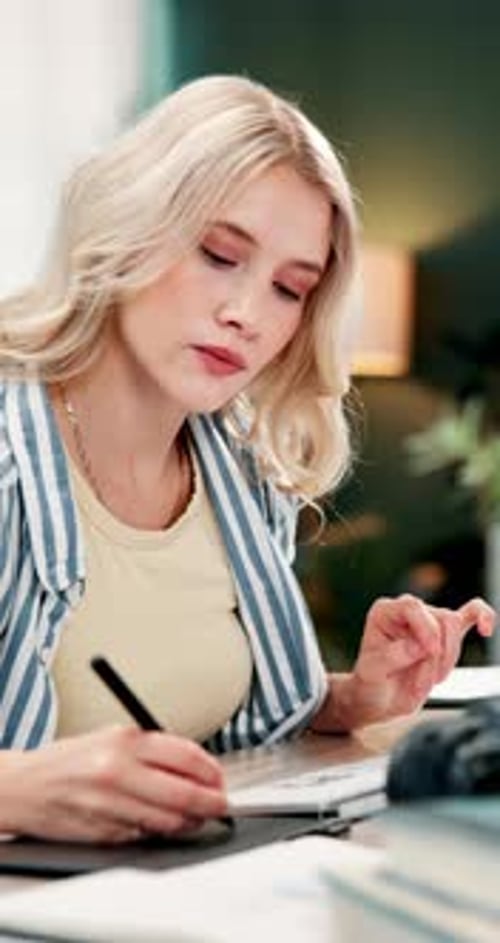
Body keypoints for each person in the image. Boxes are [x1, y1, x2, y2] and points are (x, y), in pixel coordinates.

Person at [0, 74, 494, 844]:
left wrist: (353, 698)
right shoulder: (8, 460)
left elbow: (207, 712)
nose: (248, 315)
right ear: (131, 224)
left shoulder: (243, 479)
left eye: (290, 289)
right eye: (220, 255)